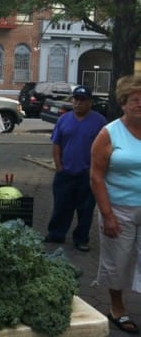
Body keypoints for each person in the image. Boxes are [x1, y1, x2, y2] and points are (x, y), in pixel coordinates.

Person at [90, 75, 141, 334]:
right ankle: (117, 308)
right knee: (118, 260)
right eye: (135, 100)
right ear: (123, 103)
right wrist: (107, 214)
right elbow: (96, 175)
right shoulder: (109, 133)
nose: (140, 104)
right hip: (119, 208)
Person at [44, 85, 106, 251]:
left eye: (82, 100)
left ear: (90, 103)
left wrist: (96, 170)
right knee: (61, 206)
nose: (78, 103)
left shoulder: (99, 122)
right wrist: (58, 166)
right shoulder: (64, 119)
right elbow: (56, 144)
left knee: (85, 210)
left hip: (87, 175)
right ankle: (56, 234)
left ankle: (81, 239)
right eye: (76, 99)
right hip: (65, 173)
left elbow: (105, 149)